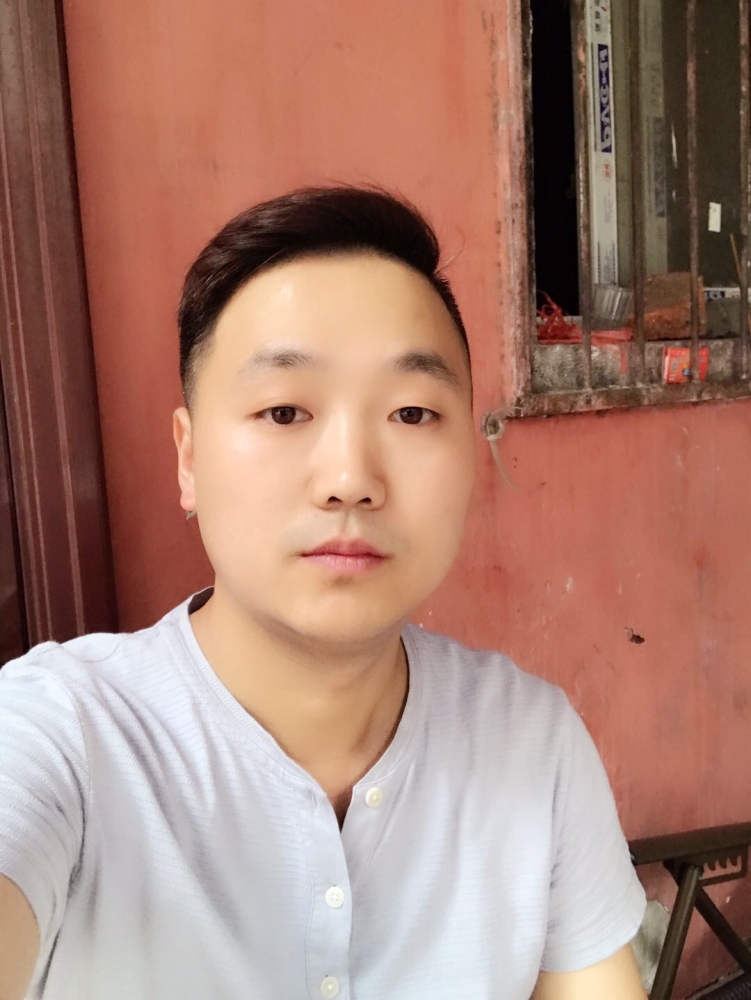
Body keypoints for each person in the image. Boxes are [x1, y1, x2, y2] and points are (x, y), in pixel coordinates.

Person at [0, 186, 646, 999]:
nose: (348, 479)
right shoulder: (60, 734)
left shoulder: (531, 742)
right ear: (188, 459)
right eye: (283, 412)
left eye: (411, 413)